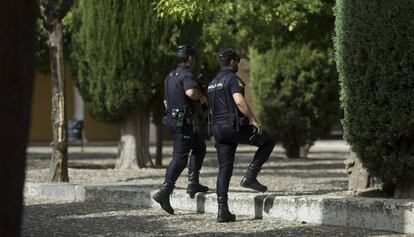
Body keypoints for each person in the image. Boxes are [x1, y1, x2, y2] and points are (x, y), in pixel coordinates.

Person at [207, 48, 276, 222]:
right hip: (233, 127)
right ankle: (250, 176)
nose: (238, 63)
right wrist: (253, 120)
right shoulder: (232, 79)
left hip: (217, 130)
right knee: (268, 140)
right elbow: (239, 101)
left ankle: (222, 211)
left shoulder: (212, 82)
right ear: (231, 62)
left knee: (224, 168)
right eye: (236, 60)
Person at [153, 45, 209, 215]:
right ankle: (165, 191)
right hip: (182, 122)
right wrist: (202, 97)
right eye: (194, 58)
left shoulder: (169, 76)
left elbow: (165, 102)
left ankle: (193, 181)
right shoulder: (186, 73)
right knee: (180, 158)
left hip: (172, 119)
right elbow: (191, 92)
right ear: (190, 58)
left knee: (199, 147)